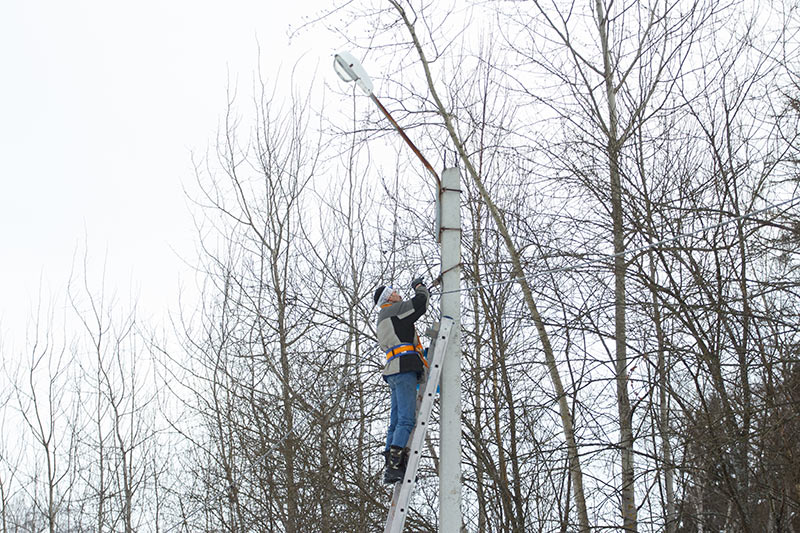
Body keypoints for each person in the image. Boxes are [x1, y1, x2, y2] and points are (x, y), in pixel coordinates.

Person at [373, 277, 429, 484]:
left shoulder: (383, 317)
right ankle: (396, 464)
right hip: (404, 367)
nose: (398, 293)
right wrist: (419, 287)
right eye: (394, 292)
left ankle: (390, 463)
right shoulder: (393, 310)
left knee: (395, 421)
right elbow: (420, 303)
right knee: (406, 419)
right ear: (389, 297)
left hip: (394, 369)